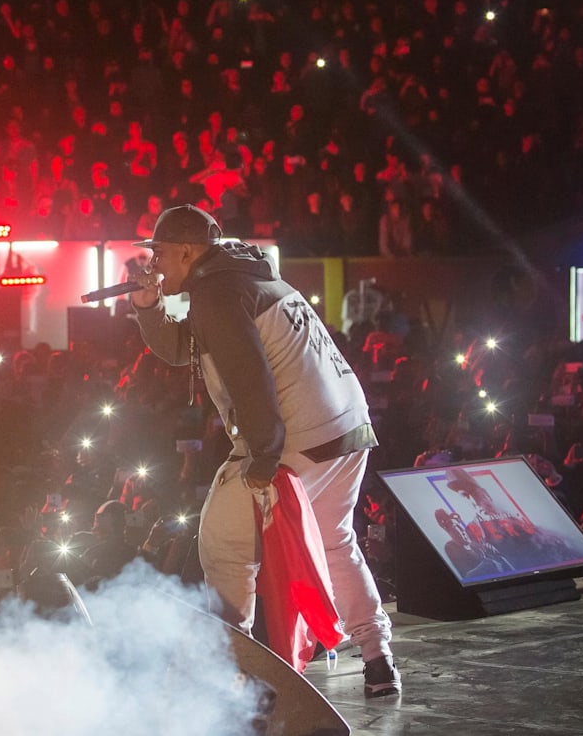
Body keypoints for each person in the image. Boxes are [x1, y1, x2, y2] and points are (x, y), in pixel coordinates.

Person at [127, 204, 399, 697]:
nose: (156, 263)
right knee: (336, 543)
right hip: (347, 427)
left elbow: (251, 383)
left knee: (223, 543)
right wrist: (150, 304)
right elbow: (183, 347)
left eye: (161, 253)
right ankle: (378, 658)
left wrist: (261, 461)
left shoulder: (217, 291)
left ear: (188, 250)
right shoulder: (241, 275)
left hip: (298, 437)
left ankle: (235, 672)